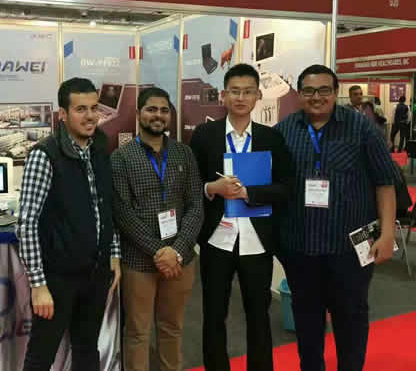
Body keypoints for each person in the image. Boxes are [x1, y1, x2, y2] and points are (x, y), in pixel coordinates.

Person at [275, 65, 396, 371]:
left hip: (350, 248)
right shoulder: (285, 130)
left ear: (335, 92)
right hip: (300, 246)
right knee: (306, 320)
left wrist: (387, 235)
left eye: (324, 90)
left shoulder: (361, 128)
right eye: (309, 91)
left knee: (351, 318)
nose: (316, 97)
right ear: (300, 94)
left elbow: (385, 182)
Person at [190, 64, 295, 371]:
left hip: (256, 240)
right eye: (234, 91)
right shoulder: (205, 136)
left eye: (247, 91)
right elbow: (190, 186)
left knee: (259, 315)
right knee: (214, 315)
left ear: (258, 96)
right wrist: (212, 188)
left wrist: (250, 193)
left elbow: (286, 187)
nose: (240, 97)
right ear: (223, 95)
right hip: (216, 240)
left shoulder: (271, 138)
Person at [17, 77, 121, 371]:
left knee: (87, 349)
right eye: (80, 109)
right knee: (41, 356)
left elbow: (105, 206)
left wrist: (113, 253)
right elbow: (27, 223)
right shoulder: (44, 155)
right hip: (58, 278)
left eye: (94, 108)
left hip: (96, 274)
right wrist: (38, 284)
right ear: (62, 114)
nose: (90, 116)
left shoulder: (100, 147)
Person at [111, 87, 203, 371]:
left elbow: (196, 204)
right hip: (139, 262)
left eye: (164, 110)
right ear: (138, 113)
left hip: (180, 260)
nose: (158, 115)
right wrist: (159, 251)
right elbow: (123, 214)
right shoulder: (121, 158)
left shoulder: (184, 153)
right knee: (137, 332)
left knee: (172, 328)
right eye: (151, 109)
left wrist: (176, 251)